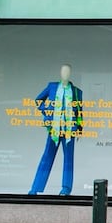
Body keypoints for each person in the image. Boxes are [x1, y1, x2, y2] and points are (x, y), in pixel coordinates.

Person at [29, 63, 84, 196]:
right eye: (63, 71)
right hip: (54, 128)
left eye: (68, 71)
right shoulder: (52, 87)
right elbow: (38, 100)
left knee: (68, 159)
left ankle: (66, 189)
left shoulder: (76, 91)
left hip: (69, 129)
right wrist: (47, 111)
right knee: (47, 156)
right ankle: (35, 188)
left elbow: (80, 112)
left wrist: (80, 129)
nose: (65, 74)